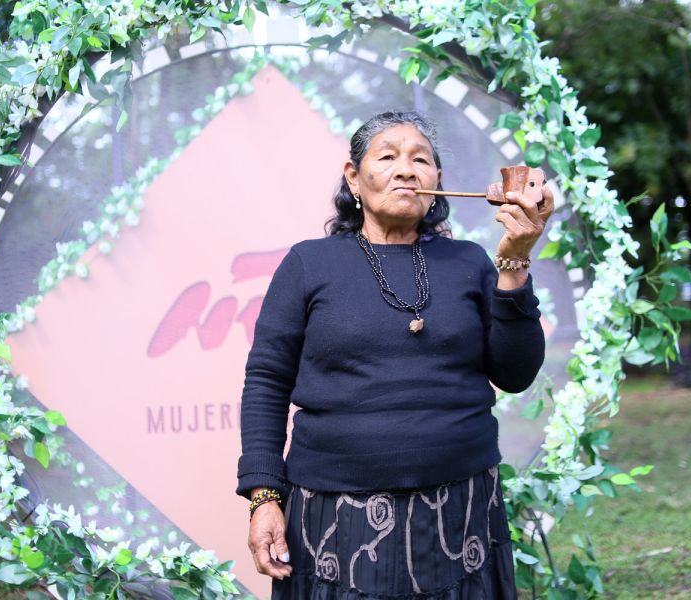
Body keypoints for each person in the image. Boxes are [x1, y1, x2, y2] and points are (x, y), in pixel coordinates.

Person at [236, 110, 552, 599]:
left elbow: (515, 373)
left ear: (438, 182)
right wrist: (264, 495)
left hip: (461, 512)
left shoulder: (470, 261)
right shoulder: (308, 264)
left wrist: (514, 261)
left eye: (421, 160)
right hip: (334, 519)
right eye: (388, 157)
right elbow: (266, 381)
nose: (406, 169)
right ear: (353, 177)